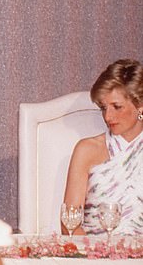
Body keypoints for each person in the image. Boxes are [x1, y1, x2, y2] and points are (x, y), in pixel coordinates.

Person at [62, 59, 143, 236]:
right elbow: (70, 224)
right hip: (93, 256)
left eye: (116, 107)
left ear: (140, 106)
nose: (108, 116)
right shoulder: (87, 150)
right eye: (103, 108)